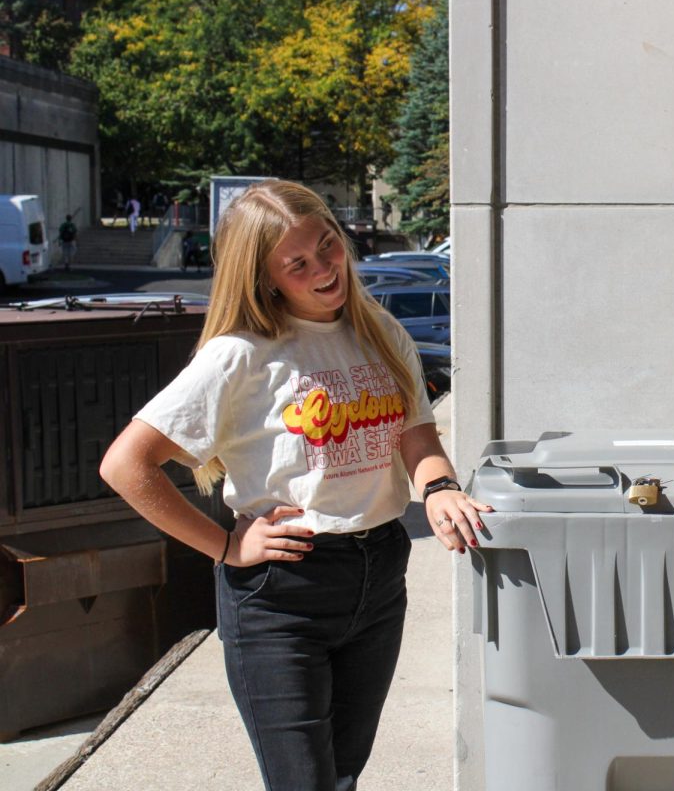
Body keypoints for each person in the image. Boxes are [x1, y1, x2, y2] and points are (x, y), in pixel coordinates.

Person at [99, 179, 491, 791]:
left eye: (327, 245)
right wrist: (226, 548)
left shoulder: (379, 332)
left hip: (379, 572)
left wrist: (439, 488)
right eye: (298, 263)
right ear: (265, 279)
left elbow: (415, 429)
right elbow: (126, 466)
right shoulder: (240, 355)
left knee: (342, 775)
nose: (324, 268)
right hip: (283, 591)